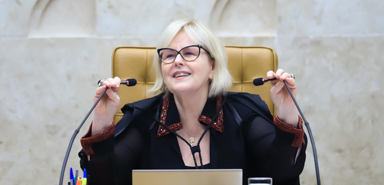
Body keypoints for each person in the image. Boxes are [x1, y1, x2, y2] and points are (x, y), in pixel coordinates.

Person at [79, 19, 307, 185]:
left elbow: (283, 173)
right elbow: (104, 180)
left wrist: (287, 110)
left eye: (189, 53)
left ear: (212, 66)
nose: (177, 61)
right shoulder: (144, 118)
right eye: (168, 55)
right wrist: (102, 119)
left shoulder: (243, 112)